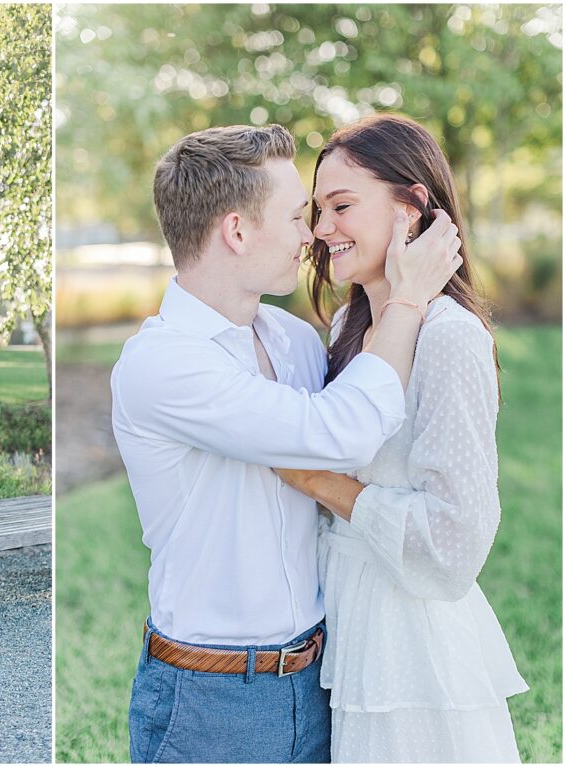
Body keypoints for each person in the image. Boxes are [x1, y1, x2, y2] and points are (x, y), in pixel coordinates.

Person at [111, 124, 462, 763]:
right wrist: (409, 297)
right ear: (238, 231)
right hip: (211, 696)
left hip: (319, 677)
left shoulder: (295, 341)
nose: (312, 235)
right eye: (299, 215)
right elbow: (343, 429)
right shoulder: (162, 366)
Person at [274, 114, 527, 762]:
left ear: (412, 205)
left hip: (410, 652)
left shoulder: (449, 336)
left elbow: (455, 539)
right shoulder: (343, 333)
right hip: (341, 632)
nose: (322, 229)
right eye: (316, 209)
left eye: (342, 205)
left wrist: (326, 486)